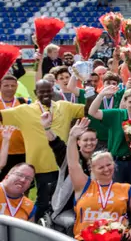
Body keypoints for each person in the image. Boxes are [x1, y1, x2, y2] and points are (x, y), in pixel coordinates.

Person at [0, 80, 84, 218]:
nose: (45, 94)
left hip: (64, 164)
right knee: (44, 202)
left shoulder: (64, 106)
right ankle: (40, 230)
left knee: (67, 202)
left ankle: (59, 230)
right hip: (41, 166)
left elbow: (88, 109)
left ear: (53, 91)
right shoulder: (24, 110)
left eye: (48, 90)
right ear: (35, 93)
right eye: (41, 91)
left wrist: (90, 92)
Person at [67, 119, 131, 241]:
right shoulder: (84, 185)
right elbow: (73, 164)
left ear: (114, 165)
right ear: (92, 169)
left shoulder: (125, 188)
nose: (106, 169)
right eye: (100, 167)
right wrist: (71, 138)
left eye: (109, 165)